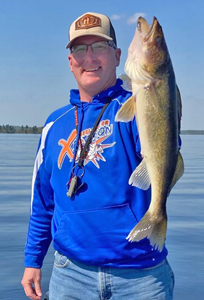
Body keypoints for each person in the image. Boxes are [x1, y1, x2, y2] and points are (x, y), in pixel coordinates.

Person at [21, 12, 175, 300]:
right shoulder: (55, 125)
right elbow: (43, 202)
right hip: (70, 275)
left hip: (141, 276)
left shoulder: (132, 110)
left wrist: (160, 94)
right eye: (80, 49)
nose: (89, 58)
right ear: (70, 62)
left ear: (118, 56)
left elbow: (165, 143)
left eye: (99, 47)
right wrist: (33, 260)